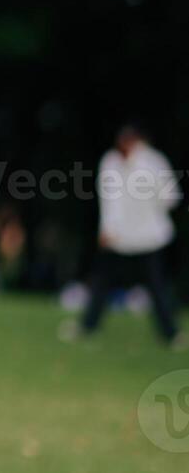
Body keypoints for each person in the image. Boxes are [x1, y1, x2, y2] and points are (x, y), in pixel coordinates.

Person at [60, 124, 186, 349]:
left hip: (149, 238)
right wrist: (106, 229)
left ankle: (170, 333)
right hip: (119, 237)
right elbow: (108, 201)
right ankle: (88, 326)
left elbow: (171, 197)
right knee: (102, 283)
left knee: (157, 286)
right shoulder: (110, 162)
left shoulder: (153, 162)